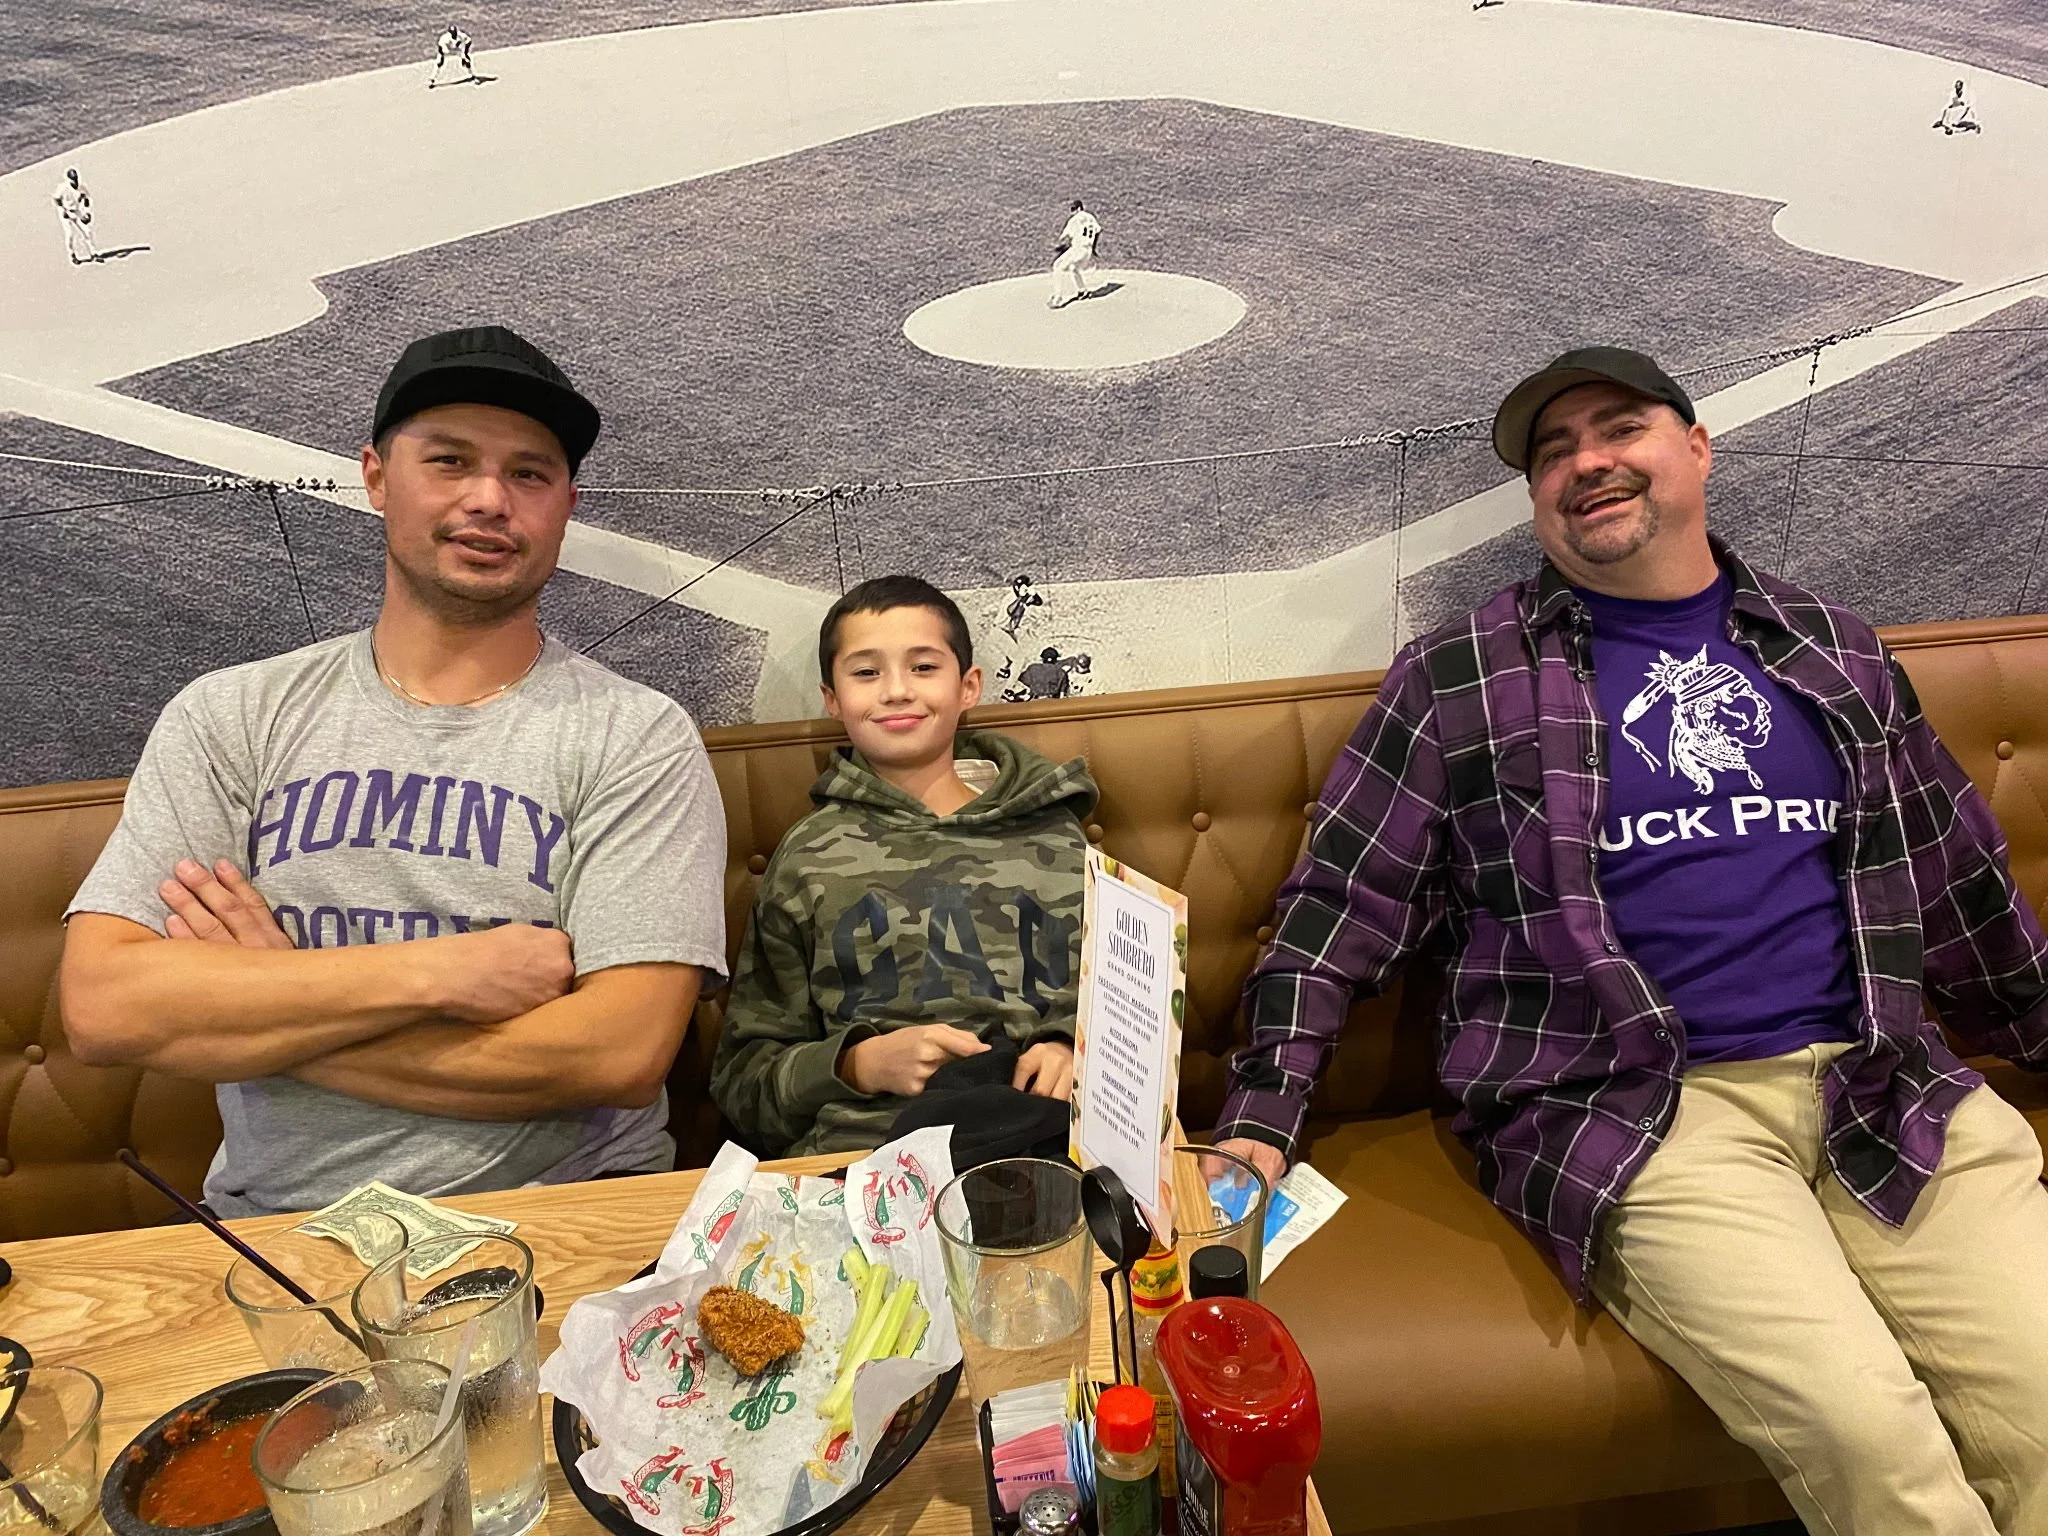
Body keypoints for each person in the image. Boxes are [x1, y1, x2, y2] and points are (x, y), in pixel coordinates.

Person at [1215, 346, 2048, 1533]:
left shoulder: (1834, 651)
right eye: (1552, 453)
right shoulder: (1461, 674)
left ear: (1694, 449)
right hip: (1645, 1111)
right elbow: (1338, 905)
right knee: (1866, 1433)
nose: (1585, 463)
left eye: (1618, 430)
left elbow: (1958, 874)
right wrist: (1257, 1121)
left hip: (1886, 1083)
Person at [61, 325, 728, 1216]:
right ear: (377, 477)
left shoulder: (636, 736)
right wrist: (441, 973)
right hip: (284, 1227)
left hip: (568, 1217)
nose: (490, 498)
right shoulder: (233, 715)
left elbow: (615, 1053)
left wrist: (270, 1006)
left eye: (528, 473)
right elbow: (105, 1006)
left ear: (566, 502)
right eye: (449, 461)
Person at [710, 575, 1098, 1156]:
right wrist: (857, 1064)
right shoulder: (807, 858)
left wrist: (1072, 1050)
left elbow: (1135, 1027)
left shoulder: (1059, 841)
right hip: (861, 1165)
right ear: (832, 698)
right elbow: (744, 1084)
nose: (896, 691)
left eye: (923, 667)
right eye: (867, 672)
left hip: (1044, 1152)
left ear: (968, 687)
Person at [1048, 201, 1103, 310]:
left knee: (1057, 266)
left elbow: (1064, 238)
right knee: (1074, 268)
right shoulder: (1091, 217)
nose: (1072, 212)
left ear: (1079, 208)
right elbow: (1098, 231)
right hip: (1087, 251)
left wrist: (1059, 247)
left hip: (1078, 249)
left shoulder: (1074, 220)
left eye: (1073, 209)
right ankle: (1083, 291)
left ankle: (1058, 297)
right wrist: (1094, 248)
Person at [53, 168, 96, 265]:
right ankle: (72, 255)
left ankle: (93, 253)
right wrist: (63, 210)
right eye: (72, 179)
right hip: (66, 212)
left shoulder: (81, 187)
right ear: (68, 179)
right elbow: (56, 199)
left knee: (87, 231)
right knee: (70, 235)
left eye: (76, 178)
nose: (75, 180)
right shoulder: (63, 188)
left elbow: (86, 200)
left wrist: (86, 212)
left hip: (77, 211)